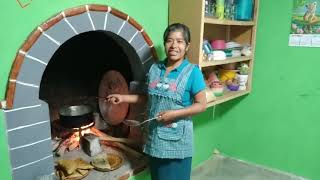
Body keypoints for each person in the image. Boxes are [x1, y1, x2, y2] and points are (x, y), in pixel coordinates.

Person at [107, 23, 207, 180]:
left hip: (177, 142)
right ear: (165, 43)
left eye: (180, 41)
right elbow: (148, 98)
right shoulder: (155, 69)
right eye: (169, 40)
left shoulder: (192, 72)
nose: (174, 45)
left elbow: (202, 105)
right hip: (154, 139)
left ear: (187, 46)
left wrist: (175, 114)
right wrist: (122, 98)